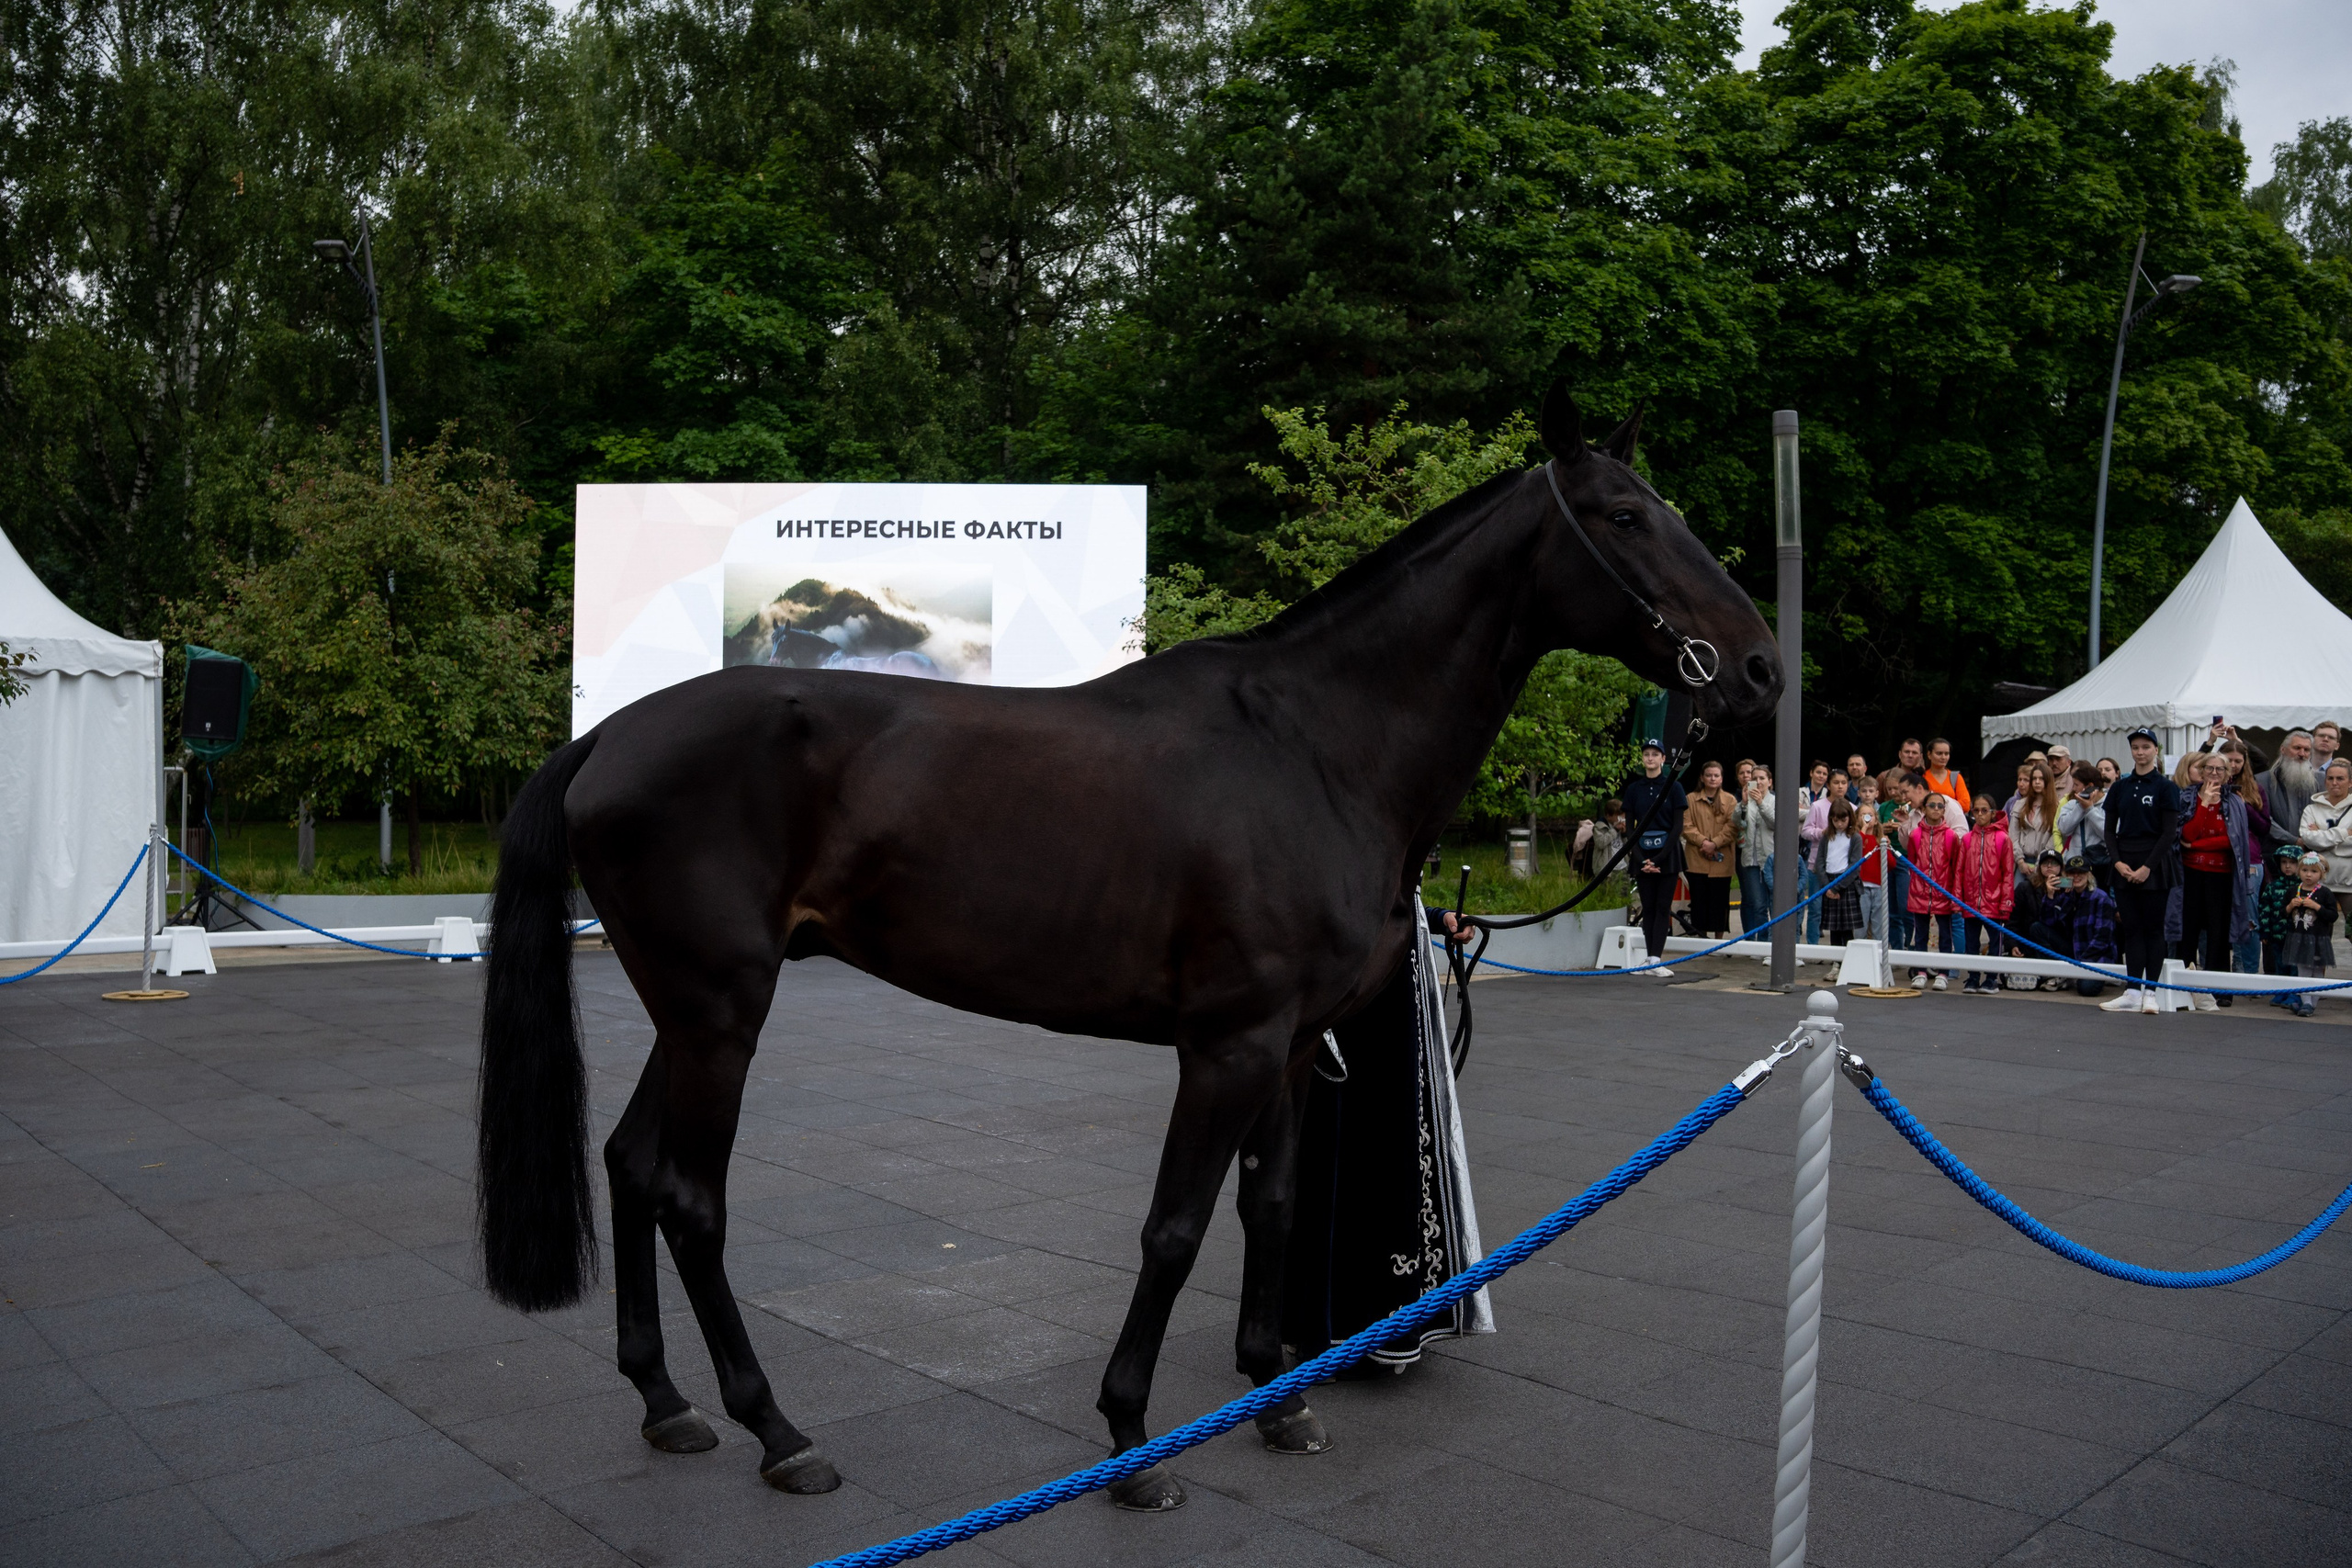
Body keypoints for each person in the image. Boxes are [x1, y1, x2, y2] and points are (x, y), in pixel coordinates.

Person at [2101, 728, 2178, 1015]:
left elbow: (2169, 832)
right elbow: (2110, 829)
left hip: (2155, 864)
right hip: (2123, 859)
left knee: (2153, 929)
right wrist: (2118, 862)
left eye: (2146, 747)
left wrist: (2148, 867)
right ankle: (2132, 990)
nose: (2140, 752)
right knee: (2131, 928)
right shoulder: (2120, 787)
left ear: (2156, 750)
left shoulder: (2165, 787)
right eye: (2136, 747)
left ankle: (2152, 992)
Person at [2176, 750, 2254, 1011]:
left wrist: (2196, 844)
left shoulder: (2234, 801)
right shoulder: (2187, 797)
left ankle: (2220, 988)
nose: (2214, 774)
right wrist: (2205, 805)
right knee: (2188, 931)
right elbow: (2185, 833)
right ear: (2200, 770)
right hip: (2190, 874)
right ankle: (2182, 987)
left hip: (2221, 876)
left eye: (2220, 770)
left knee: (2219, 934)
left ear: (2228, 773)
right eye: (2209, 769)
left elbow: (2231, 841)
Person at [1622, 739, 1687, 976]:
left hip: (1667, 855)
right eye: (1646, 754)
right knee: (1647, 908)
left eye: (1654, 754)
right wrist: (1640, 859)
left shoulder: (1674, 787)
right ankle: (1649, 959)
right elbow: (1630, 829)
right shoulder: (1633, 789)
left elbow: (1677, 827)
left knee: (1662, 907)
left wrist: (1658, 859)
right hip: (1641, 854)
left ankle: (1656, 959)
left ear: (1662, 758)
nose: (1650, 758)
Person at [1902, 790, 1964, 989]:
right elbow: (1912, 862)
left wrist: (1953, 896)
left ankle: (1943, 973)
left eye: (1940, 806)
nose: (1936, 809)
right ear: (1924, 808)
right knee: (1920, 933)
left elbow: (1955, 867)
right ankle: (1921, 971)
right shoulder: (1915, 835)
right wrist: (1916, 889)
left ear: (1944, 810)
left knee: (1946, 935)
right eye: (1932, 805)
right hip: (1920, 893)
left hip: (1942, 893)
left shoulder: (1951, 836)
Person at [1955, 795, 2015, 993]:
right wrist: (1958, 899)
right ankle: (1972, 978)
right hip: (1971, 901)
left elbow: (2008, 873)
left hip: (1994, 900)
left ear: (1992, 813)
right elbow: (1959, 871)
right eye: (1976, 811)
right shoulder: (1966, 839)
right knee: (1971, 942)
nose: (1980, 814)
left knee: (1995, 941)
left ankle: (1991, 979)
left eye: (1984, 810)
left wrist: (2006, 902)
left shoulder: (2003, 838)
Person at [2042, 854, 2120, 998]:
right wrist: (2050, 895)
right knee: (2037, 929)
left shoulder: (2101, 898)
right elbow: (2049, 923)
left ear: (2088, 874)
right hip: (2074, 951)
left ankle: (2074, 975)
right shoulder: (2068, 895)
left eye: (2081, 872)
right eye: (2072, 873)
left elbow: (2102, 939)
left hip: (2095, 957)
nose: (2076, 876)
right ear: (2066, 876)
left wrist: (2081, 963)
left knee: (2086, 989)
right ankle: (2063, 975)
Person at [2278, 852, 2337, 1018]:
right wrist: (2290, 906)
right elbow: (2282, 913)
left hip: (2318, 939)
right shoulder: (2293, 891)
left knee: (2317, 971)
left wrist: (2317, 907)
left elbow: (2333, 915)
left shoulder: (2325, 893)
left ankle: (2311, 1004)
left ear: (2322, 873)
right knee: (2303, 971)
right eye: (2304, 870)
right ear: (2299, 871)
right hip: (2299, 938)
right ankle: (2306, 1003)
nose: (2308, 875)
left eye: (2313, 871)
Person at [1680, 761, 1736, 938]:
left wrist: (1715, 844)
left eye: (1716, 775)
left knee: (1720, 901)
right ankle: (1701, 937)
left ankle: (1718, 940)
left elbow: (1733, 826)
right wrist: (1704, 842)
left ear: (1721, 779)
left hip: (1722, 860)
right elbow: (1686, 826)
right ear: (1702, 778)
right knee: (1699, 900)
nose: (1712, 779)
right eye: (1709, 775)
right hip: (1697, 859)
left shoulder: (1730, 800)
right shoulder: (1690, 799)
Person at [1814, 796, 1864, 945]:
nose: (1840, 824)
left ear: (1850, 817)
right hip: (1829, 881)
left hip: (1846, 884)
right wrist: (1827, 886)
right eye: (1836, 821)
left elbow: (1855, 867)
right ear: (1831, 819)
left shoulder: (1855, 838)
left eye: (1843, 820)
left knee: (1847, 929)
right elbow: (1820, 862)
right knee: (1833, 928)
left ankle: (1848, 961)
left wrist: (1836, 887)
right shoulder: (1826, 836)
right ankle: (1836, 962)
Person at [2258, 730, 2318, 852]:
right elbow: (2262, 818)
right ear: (2283, 749)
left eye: (2306, 750)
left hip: (2311, 856)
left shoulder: (2320, 781)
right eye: (2297, 748)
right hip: (2274, 854)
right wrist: (2293, 840)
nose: (2302, 754)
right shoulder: (2262, 781)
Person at [2301, 758, 2352, 898]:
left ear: (2350, 782)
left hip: (2349, 883)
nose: (2334, 782)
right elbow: (2308, 840)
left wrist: (2321, 836)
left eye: (2340, 778)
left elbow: (2317, 841)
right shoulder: (2311, 809)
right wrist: (2344, 833)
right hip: (2318, 884)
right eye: (2330, 778)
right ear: (2325, 782)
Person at [1798, 761, 1836, 943]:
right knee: (1811, 904)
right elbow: (1804, 828)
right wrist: (1821, 831)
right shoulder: (1809, 799)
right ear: (1811, 773)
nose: (1821, 776)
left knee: (1832, 908)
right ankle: (1810, 943)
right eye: (1818, 772)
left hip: (1836, 862)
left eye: (1824, 773)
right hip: (1808, 855)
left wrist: (1802, 811)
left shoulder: (1848, 806)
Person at [2258, 842, 2304, 992]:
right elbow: (2264, 909)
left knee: (2295, 967)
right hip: (2277, 936)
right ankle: (2280, 992)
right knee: (2280, 964)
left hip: (2298, 937)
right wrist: (2265, 931)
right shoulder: (2272, 886)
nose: (2287, 866)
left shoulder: (2304, 888)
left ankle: (2294, 993)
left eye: (2292, 862)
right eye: (2284, 862)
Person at [2008, 762, 2064, 882]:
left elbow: (2055, 836)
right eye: (2034, 779)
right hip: (2022, 861)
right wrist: (2020, 861)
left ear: (2048, 781)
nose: (2037, 782)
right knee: (2018, 896)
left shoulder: (2056, 807)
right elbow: (2013, 835)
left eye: (2041, 779)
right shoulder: (2020, 805)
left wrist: (2040, 862)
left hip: (2045, 863)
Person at [1736, 764, 1774, 935]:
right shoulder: (1747, 801)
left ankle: (1776, 941)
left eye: (1762, 778)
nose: (1758, 782)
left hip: (1771, 860)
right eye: (1754, 779)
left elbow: (1775, 823)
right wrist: (1743, 804)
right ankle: (1763, 942)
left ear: (1770, 782)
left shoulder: (1776, 801)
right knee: (1758, 905)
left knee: (1775, 905)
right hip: (1751, 860)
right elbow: (1736, 822)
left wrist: (1761, 803)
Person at [1854, 776, 1886, 942]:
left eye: (1870, 815)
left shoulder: (1881, 839)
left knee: (1878, 926)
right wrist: (1864, 831)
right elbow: (1856, 853)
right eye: (1863, 815)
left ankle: (1880, 959)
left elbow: (1891, 864)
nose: (1867, 818)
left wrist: (1885, 846)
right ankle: (1859, 959)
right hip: (1861, 887)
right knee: (1860, 925)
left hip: (1878, 887)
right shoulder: (1856, 837)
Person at [2072, 762, 2112, 888]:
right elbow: (2063, 828)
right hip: (2077, 862)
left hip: (2101, 864)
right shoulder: (2073, 803)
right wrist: (2081, 806)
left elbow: (2109, 833)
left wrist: (2089, 809)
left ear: (2089, 786)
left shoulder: (2111, 803)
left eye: (2076, 785)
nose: (2073, 789)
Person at [1924, 738, 1972, 815]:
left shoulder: (1955, 777)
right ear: (1929, 755)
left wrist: (1935, 806)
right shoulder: (1922, 777)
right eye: (1939, 753)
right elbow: (1919, 803)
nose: (1943, 757)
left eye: (1946, 754)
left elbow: (1966, 805)